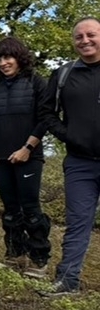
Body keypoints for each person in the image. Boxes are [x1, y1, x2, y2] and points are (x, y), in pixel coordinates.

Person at [39, 17, 100, 295]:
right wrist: (68, 135)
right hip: (80, 163)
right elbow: (47, 113)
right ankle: (67, 281)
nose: (85, 41)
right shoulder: (63, 75)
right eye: (79, 37)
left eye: (91, 35)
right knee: (77, 222)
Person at [0, 37, 50, 278]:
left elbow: (45, 119)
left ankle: (39, 260)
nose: (3, 63)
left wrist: (27, 148)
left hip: (28, 156)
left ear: (19, 57)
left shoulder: (37, 83)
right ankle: (14, 256)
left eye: (7, 57)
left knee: (31, 209)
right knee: (10, 209)